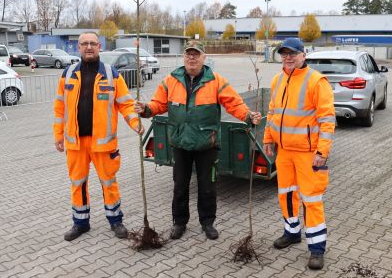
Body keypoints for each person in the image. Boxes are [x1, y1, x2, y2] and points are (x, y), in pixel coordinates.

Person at [134, 41, 261, 240]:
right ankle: (179, 222)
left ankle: (207, 222)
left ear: (204, 57)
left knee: (208, 186)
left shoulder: (215, 80)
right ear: (184, 57)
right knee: (180, 186)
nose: (192, 58)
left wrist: (247, 116)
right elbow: (158, 104)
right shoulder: (171, 80)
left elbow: (233, 103)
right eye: (188, 54)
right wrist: (146, 109)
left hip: (206, 144)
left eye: (196, 54)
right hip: (180, 143)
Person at [53, 31, 144, 241]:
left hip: (103, 144)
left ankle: (116, 221)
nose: (89, 47)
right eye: (84, 43)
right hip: (75, 143)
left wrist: (135, 122)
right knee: (77, 183)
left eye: (93, 43)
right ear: (79, 47)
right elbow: (60, 107)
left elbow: (126, 104)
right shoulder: (67, 74)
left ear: (99, 46)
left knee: (108, 182)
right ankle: (80, 223)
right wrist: (58, 134)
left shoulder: (111, 75)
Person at [263, 38, 335, 270]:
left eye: (292, 53)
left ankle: (316, 248)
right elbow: (272, 112)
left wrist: (322, 151)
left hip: (307, 153)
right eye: (284, 54)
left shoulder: (317, 81)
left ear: (304, 55)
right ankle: (292, 232)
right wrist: (267, 138)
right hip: (284, 152)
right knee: (286, 195)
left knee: (311, 199)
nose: (288, 57)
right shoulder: (278, 79)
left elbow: (327, 120)